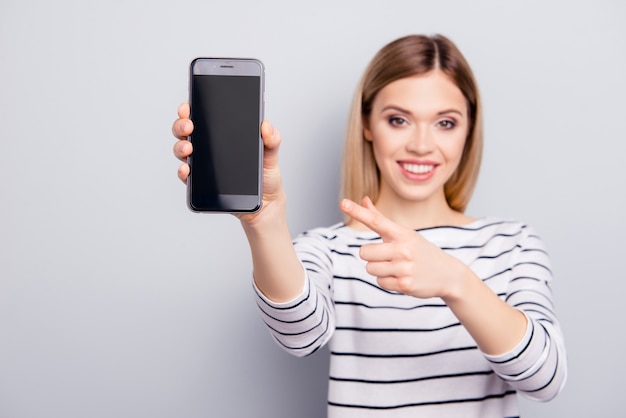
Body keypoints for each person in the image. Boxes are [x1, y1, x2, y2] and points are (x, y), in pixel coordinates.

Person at [172, 34, 566, 418]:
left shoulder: (511, 244)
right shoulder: (329, 248)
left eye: (445, 123)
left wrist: (454, 281)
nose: (422, 145)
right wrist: (265, 222)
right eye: (399, 120)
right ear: (366, 124)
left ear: (468, 130)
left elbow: (544, 379)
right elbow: (299, 335)